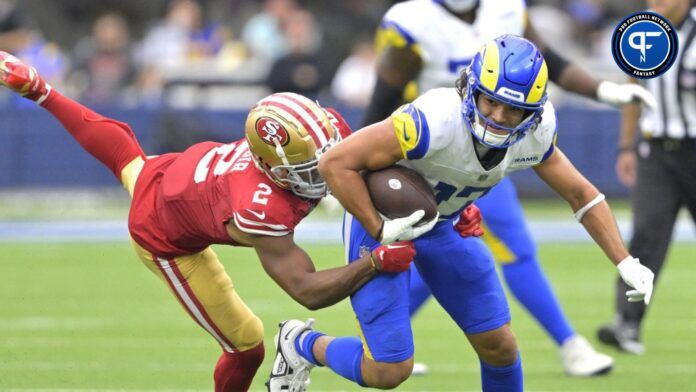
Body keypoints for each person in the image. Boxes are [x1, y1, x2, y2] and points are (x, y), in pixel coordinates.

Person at [0, 51, 418, 392]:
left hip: (165, 172)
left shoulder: (321, 134)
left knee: (131, 161)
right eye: (311, 169)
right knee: (246, 345)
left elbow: (120, 147)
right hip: (163, 235)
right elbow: (305, 290)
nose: (325, 173)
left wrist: (455, 202)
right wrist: (374, 262)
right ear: (274, 169)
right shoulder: (260, 208)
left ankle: (40, 90)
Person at [266, 35, 656, 392]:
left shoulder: (537, 132)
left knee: (499, 345)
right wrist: (379, 228)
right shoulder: (434, 121)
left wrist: (624, 261)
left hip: (440, 224)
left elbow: (581, 194)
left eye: (514, 110)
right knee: (388, 371)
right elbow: (336, 162)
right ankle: (302, 344)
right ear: (471, 90)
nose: (499, 117)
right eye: (491, 102)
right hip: (382, 222)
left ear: (533, 113)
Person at [361, 0, 658, 377]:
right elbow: (383, 96)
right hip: (427, 153)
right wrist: (359, 171)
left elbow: (550, 64)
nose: (501, 113)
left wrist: (603, 91)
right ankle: (568, 343)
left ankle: (569, 343)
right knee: (439, 255)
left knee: (477, 257)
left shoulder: (507, 11)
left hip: (486, 160)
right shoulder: (413, 22)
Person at [597, 0, 696, 355]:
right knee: (645, 236)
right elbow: (632, 89)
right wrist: (626, 146)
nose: (656, 4)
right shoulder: (642, 32)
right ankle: (626, 323)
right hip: (656, 152)